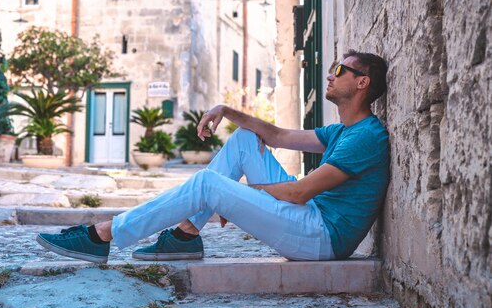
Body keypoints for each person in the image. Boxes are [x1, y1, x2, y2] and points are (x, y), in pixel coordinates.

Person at [36, 50, 389, 262]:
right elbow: (277, 136)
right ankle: (185, 235)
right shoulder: (343, 131)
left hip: (321, 238)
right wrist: (225, 110)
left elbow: (299, 193)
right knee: (245, 139)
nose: (331, 73)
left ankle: (103, 235)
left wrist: (234, 200)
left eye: (340, 70)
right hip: (310, 219)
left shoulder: (365, 136)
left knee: (209, 183)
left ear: (362, 83)